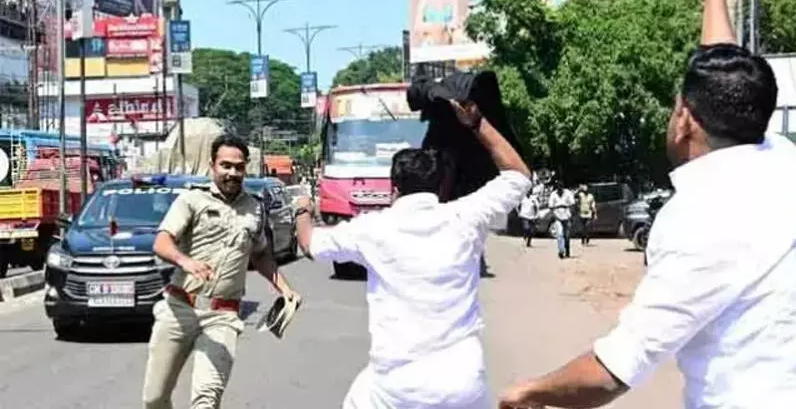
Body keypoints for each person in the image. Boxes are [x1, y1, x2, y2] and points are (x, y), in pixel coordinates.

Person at [499, 0, 796, 408]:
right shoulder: (779, 161)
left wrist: (526, 392)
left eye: (676, 107)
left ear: (687, 121)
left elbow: (614, 371)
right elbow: (724, 71)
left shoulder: (699, 221)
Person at [294, 100, 531, 408]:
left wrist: (302, 208)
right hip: (463, 381)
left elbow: (309, 243)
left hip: (397, 385)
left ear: (394, 189)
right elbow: (519, 176)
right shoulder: (466, 216)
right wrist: (476, 122)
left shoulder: (373, 229)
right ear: (441, 186)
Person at [142, 133, 299, 409]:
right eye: (225, 165)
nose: (232, 173)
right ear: (212, 166)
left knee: (206, 399)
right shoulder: (191, 200)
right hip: (179, 307)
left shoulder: (255, 208)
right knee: (154, 398)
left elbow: (261, 254)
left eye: (239, 167)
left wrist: (285, 289)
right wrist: (185, 262)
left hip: (222, 316)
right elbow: (162, 241)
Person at [548, 179, 574, 259]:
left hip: (567, 215)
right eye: (558, 187)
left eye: (561, 186)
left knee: (567, 235)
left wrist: (571, 215)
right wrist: (554, 216)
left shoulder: (568, 193)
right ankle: (561, 251)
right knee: (559, 234)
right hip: (557, 216)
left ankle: (567, 249)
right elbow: (551, 207)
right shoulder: (553, 194)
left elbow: (572, 205)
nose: (559, 188)